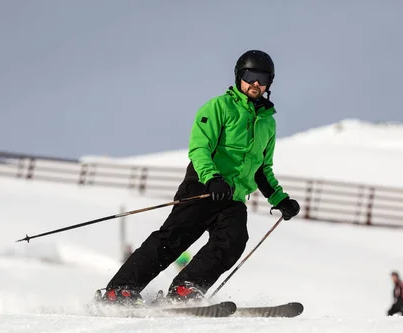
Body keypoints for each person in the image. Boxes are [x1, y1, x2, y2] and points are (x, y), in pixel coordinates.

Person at [99, 50, 300, 305]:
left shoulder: (267, 123)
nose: (256, 84)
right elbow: (200, 148)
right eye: (250, 76)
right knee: (173, 240)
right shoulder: (219, 107)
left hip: (233, 197)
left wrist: (280, 199)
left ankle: (185, 289)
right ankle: (120, 289)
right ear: (239, 76)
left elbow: (262, 168)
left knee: (233, 242)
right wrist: (212, 178)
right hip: (204, 186)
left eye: (262, 78)